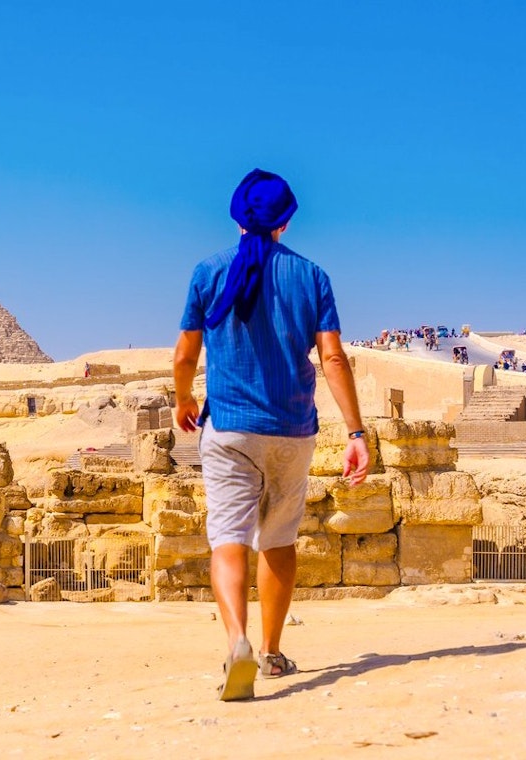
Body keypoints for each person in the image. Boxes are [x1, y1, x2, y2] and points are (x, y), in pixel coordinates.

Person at [173, 169, 369, 702]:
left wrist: (183, 400)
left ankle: (235, 640)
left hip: (230, 428)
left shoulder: (208, 272)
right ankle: (272, 651)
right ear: (286, 220)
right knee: (278, 541)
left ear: (236, 215)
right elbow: (332, 357)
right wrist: (356, 432)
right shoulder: (312, 277)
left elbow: (185, 355)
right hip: (292, 430)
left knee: (228, 540)